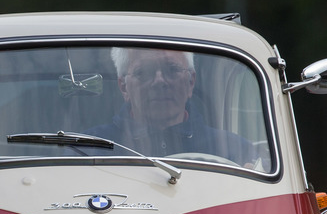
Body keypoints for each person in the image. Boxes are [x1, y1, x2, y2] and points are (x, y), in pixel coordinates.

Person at [86, 47, 256, 167]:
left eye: (172, 70)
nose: (159, 81)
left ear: (190, 82)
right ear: (124, 86)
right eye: (144, 72)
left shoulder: (234, 150)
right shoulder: (90, 148)